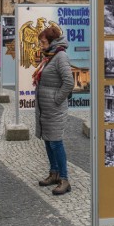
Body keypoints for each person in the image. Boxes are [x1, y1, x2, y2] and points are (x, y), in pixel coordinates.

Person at [33, 24, 74, 195]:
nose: (41, 45)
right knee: (49, 141)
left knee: (56, 142)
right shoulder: (50, 56)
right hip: (47, 109)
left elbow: (69, 82)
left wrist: (56, 99)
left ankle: (64, 179)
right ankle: (54, 173)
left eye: (43, 42)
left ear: (52, 41)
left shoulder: (60, 56)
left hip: (54, 108)